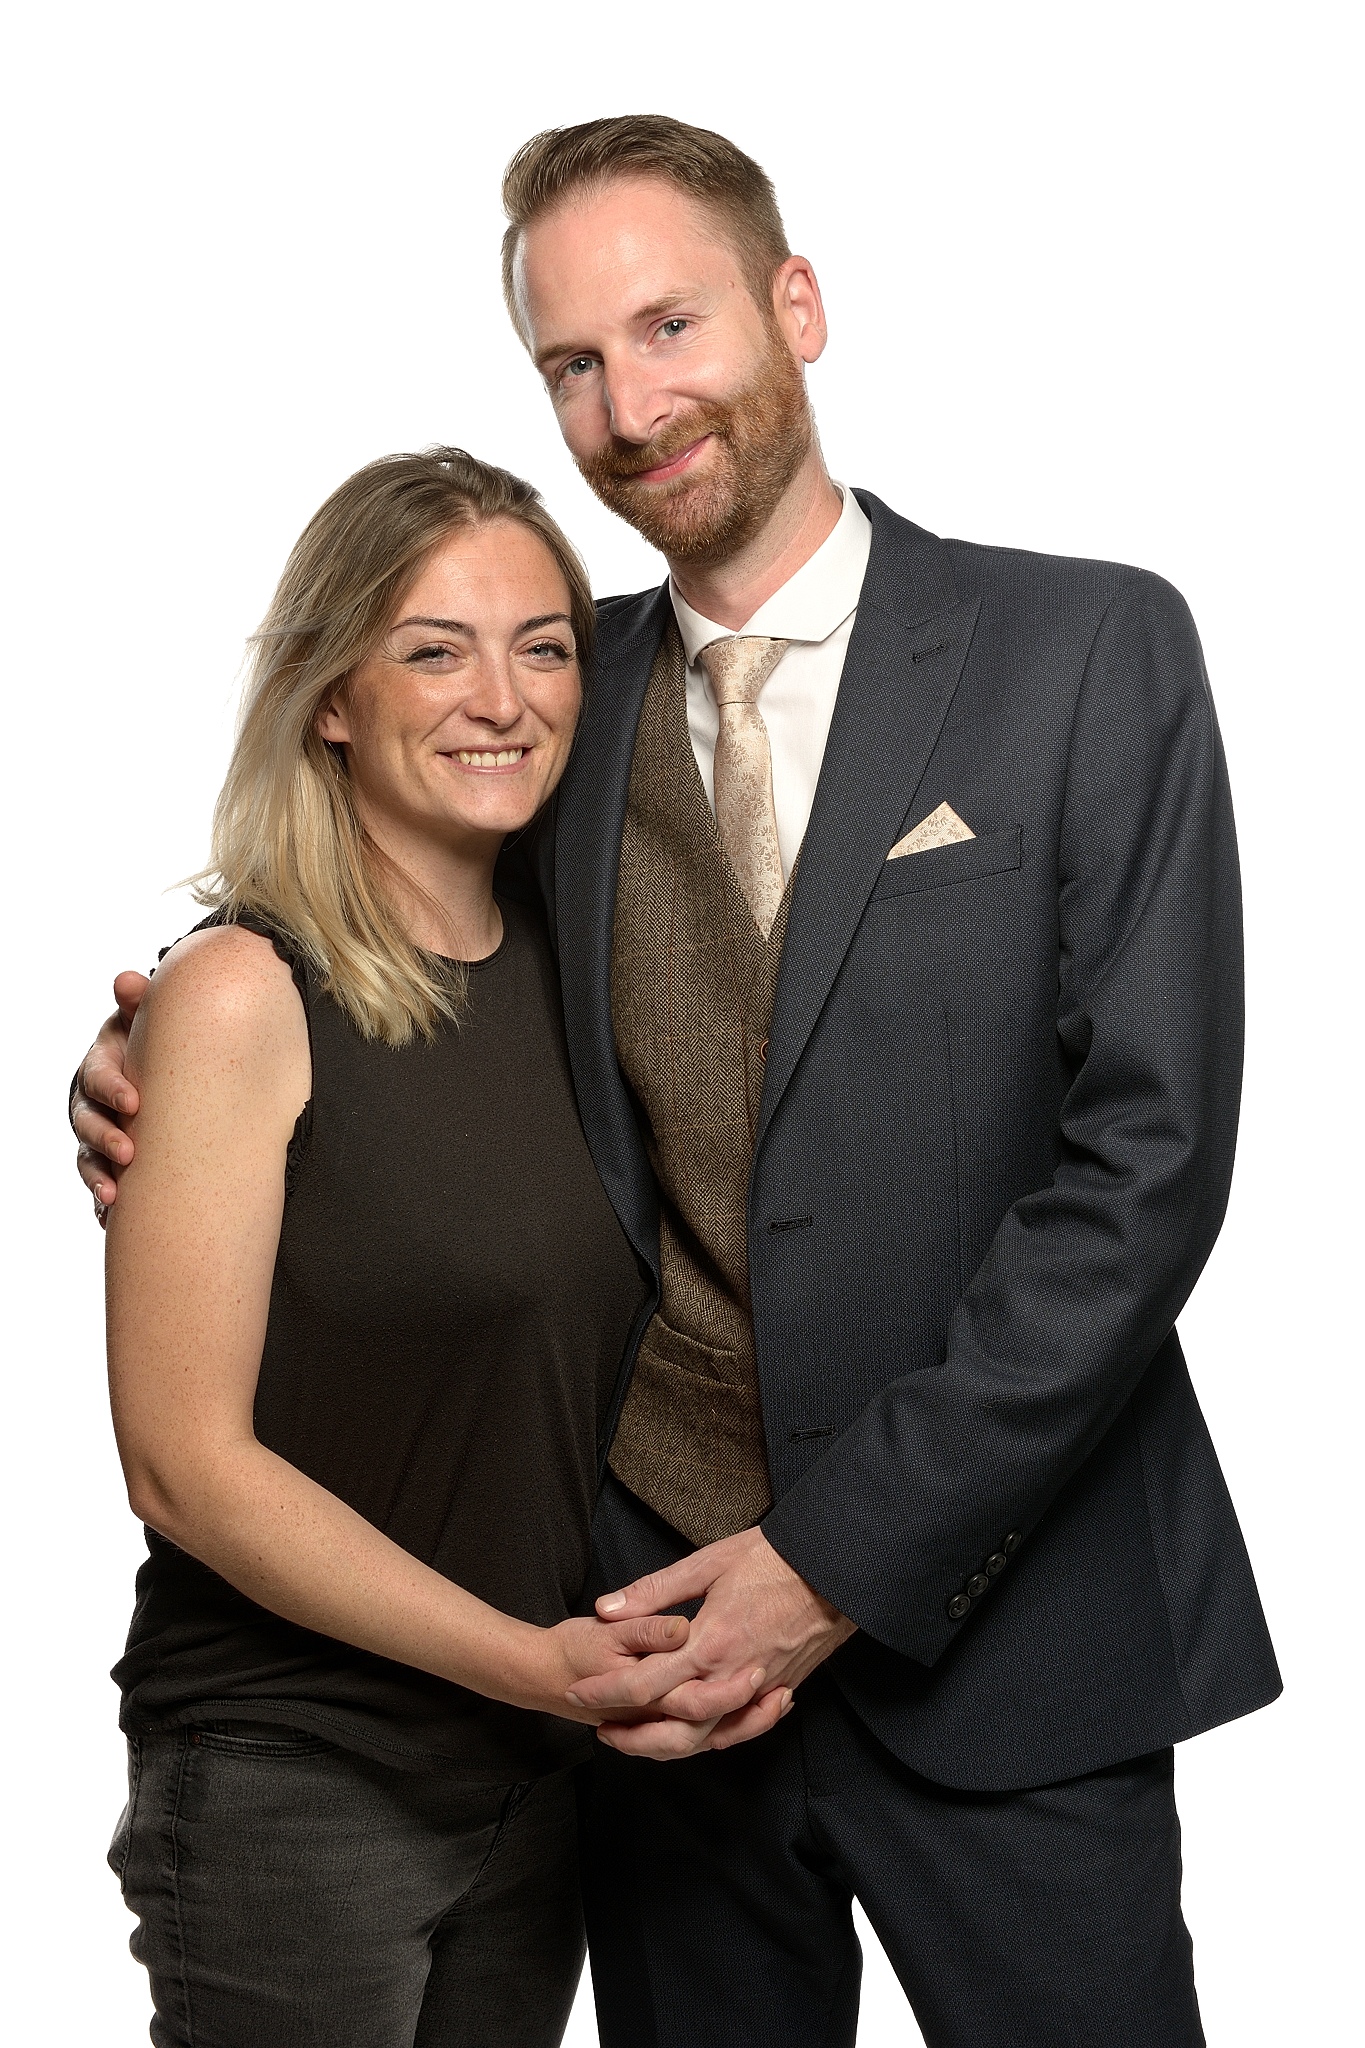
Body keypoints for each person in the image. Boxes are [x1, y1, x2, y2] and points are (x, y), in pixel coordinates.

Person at [75, 118, 1282, 2047]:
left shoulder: (1082, 648)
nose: (629, 406)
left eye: (667, 326)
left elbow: (1148, 1163)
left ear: (794, 307)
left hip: (1009, 1635)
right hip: (644, 1669)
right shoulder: (553, 700)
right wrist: (152, 1043)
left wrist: (833, 1561)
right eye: (571, 360)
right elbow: (369, 946)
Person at [93, 445, 787, 2048]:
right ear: (333, 695)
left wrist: (557, 1690)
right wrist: (537, 1667)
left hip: (529, 1777)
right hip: (295, 1776)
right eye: (433, 649)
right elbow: (183, 1468)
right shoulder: (242, 994)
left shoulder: (578, 971)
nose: (501, 698)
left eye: (542, 647)